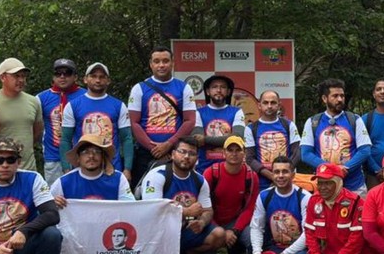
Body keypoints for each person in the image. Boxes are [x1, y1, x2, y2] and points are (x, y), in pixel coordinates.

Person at [141, 136, 226, 254]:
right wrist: (185, 212)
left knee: (219, 234)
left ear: (197, 158)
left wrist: (202, 222)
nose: (186, 157)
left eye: (192, 154)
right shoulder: (158, 175)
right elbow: (152, 210)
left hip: (184, 231)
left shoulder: (199, 180)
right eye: (182, 152)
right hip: (159, 234)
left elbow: (208, 210)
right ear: (173, 154)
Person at [128, 46, 197, 186]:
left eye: (165, 61)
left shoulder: (184, 88)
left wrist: (168, 145)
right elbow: (134, 123)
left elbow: (190, 121)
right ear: (151, 64)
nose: (161, 65)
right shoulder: (139, 88)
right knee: (141, 194)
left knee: (175, 192)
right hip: (145, 153)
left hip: (174, 152)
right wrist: (153, 148)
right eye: (157, 61)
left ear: (172, 63)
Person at [60, 63, 132, 182]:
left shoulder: (119, 106)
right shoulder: (73, 106)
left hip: (113, 168)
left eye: (102, 77)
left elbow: (127, 138)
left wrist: (127, 169)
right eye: (93, 76)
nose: (98, 80)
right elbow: (65, 140)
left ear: (108, 81)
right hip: (82, 168)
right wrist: (66, 169)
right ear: (85, 79)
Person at [301, 78, 372, 196]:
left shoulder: (354, 120)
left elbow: (365, 150)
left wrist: (346, 168)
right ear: (324, 98)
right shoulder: (313, 122)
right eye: (335, 96)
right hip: (325, 185)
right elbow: (306, 154)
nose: (340, 99)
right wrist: (331, 169)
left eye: (342, 96)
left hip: (354, 185)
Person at [202, 136, 259, 254]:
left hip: (236, 222)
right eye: (230, 150)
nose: (234, 153)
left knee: (254, 238)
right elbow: (204, 206)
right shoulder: (211, 173)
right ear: (223, 153)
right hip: (212, 221)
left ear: (244, 153)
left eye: (238, 150)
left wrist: (235, 230)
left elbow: (250, 207)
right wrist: (220, 231)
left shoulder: (251, 176)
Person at [249, 156, 312, 254]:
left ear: (293, 175)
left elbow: (308, 235)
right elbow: (256, 227)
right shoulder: (264, 196)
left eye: (285, 171)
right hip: (274, 247)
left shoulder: (305, 197)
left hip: (300, 249)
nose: (280, 175)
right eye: (277, 172)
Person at [0, 58, 43, 173]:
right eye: (16, 76)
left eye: (23, 76)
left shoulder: (33, 102)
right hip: (1, 169)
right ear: (3, 77)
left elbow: (37, 131)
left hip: (29, 168)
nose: (21, 80)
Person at [37, 59, 84, 185]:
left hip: (81, 156)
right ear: (53, 76)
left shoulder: (85, 96)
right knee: (55, 198)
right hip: (53, 157)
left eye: (67, 73)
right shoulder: (41, 98)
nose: (62, 76)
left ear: (75, 76)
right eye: (58, 73)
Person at [50, 134, 135, 205]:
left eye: (96, 151)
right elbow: (46, 207)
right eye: (85, 152)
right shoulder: (64, 182)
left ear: (103, 156)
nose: (91, 156)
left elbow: (130, 207)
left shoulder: (118, 179)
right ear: (78, 158)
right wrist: (54, 203)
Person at [245, 90, 301, 190]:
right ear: (259, 105)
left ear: (279, 105)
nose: (269, 106)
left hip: (288, 181)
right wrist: (272, 176)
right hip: (261, 183)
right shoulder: (251, 128)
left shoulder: (289, 125)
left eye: (273, 102)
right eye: (265, 102)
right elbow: (249, 158)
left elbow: (296, 154)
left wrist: (282, 175)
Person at [192, 75, 246, 174]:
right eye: (214, 87)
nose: (219, 90)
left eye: (223, 87)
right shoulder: (198, 112)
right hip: (204, 168)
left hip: (231, 169)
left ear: (228, 92)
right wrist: (227, 139)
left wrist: (206, 139)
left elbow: (237, 137)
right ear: (208, 92)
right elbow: (197, 140)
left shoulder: (237, 112)